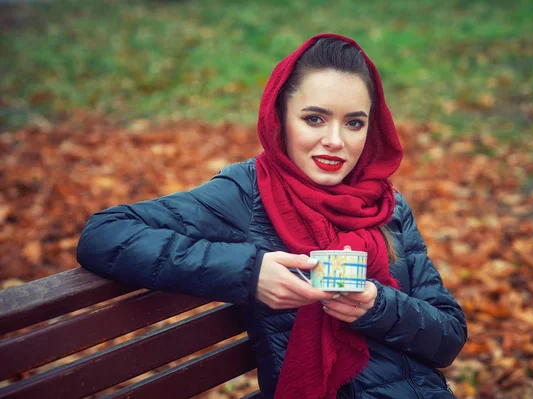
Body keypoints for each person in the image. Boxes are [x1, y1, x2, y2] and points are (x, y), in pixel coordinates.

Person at [77, 33, 467, 399]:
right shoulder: (247, 193)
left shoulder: (386, 204)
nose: (335, 140)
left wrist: (377, 306)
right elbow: (105, 233)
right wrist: (250, 273)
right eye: (314, 118)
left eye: (353, 123)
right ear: (279, 117)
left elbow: (448, 337)